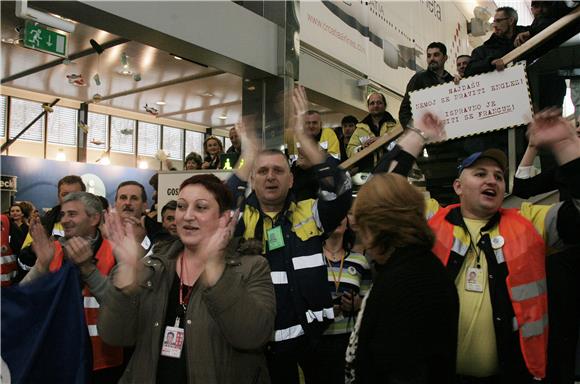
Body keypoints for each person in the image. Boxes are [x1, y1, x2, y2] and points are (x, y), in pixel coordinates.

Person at [374, 109, 580, 382]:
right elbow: (380, 192)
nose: (491, 180)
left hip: (516, 374)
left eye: (498, 176)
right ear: (458, 186)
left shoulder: (530, 221)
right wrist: (416, 135)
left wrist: (566, 146)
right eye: (480, 173)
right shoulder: (430, 219)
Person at [97, 174, 276, 383]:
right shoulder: (154, 267)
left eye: (200, 207)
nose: (187, 216)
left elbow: (253, 336)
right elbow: (115, 336)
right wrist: (126, 276)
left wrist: (217, 274)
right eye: (182, 206)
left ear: (224, 218)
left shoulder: (251, 267)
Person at [227, 86, 352, 384]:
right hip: (265, 345)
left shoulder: (309, 211)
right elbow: (218, 201)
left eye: (278, 171)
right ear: (253, 180)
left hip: (317, 341)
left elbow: (341, 186)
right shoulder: (242, 218)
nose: (270, 176)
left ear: (291, 178)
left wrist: (303, 136)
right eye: (263, 171)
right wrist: (248, 153)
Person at [345, 173, 459, 384]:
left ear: (376, 226)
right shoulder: (420, 267)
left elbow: (402, 370)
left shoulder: (406, 283)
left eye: (363, 226)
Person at [21, 191, 124, 383]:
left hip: (102, 364)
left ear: (94, 218)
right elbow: (23, 300)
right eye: (63, 214)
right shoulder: (53, 251)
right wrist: (41, 266)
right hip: (58, 358)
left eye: (72, 214)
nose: (65, 220)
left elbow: (121, 308)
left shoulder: (116, 252)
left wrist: (88, 269)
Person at [512, 123, 580, 384]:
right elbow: (522, 188)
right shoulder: (565, 169)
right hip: (568, 256)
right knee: (562, 332)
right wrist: (532, 146)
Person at [307, 217, 371, 384]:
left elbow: (367, 303)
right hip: (316, 339)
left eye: (342, 214)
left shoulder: (360, 262)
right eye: (334, 213)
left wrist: (357, 304)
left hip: (347, 340)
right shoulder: (310, 259)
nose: (338, 218)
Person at [18, 175, 86, 276]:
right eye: (65, 194)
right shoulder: (42, 224)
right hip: (51, 285)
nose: (70, 199)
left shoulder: (95, 223)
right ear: (59, 197)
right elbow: (22, 264)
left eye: (75, 195)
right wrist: (34, 249)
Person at [399, 42, 453, 129]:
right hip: (427, 137)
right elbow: (405, 111)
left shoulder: (452, 81)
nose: (432, 59)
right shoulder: (419, 78)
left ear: (445, 58)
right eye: (429, 56)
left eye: (436, 55)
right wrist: (414, 132)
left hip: (449, 135)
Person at [464, 7, 527, 77]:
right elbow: (469, 70)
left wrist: (529, 33)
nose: (494, 25)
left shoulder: (529, 35)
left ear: (511, 21)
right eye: (494, 21)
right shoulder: (484, 49)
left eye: (498, 21)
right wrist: (490, 62)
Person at [347, 92, 401, 173]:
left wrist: (384, 141)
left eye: (379, 102)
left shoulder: (397, 125)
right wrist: (362, 147)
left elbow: (403, 147)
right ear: (368, 107)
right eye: (372, 103)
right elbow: (350, 151)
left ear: (385, 105)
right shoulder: (360, 129)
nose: (375, 105)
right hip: (367, 174)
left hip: (392, 172)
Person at [114, 181, 166, 249]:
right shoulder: (106, 230)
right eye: (123, 198)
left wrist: (143, 240)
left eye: (134, 198)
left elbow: (158, 253)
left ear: (144, 206)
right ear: (115, 204)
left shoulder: (159, 231)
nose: (128, 203)